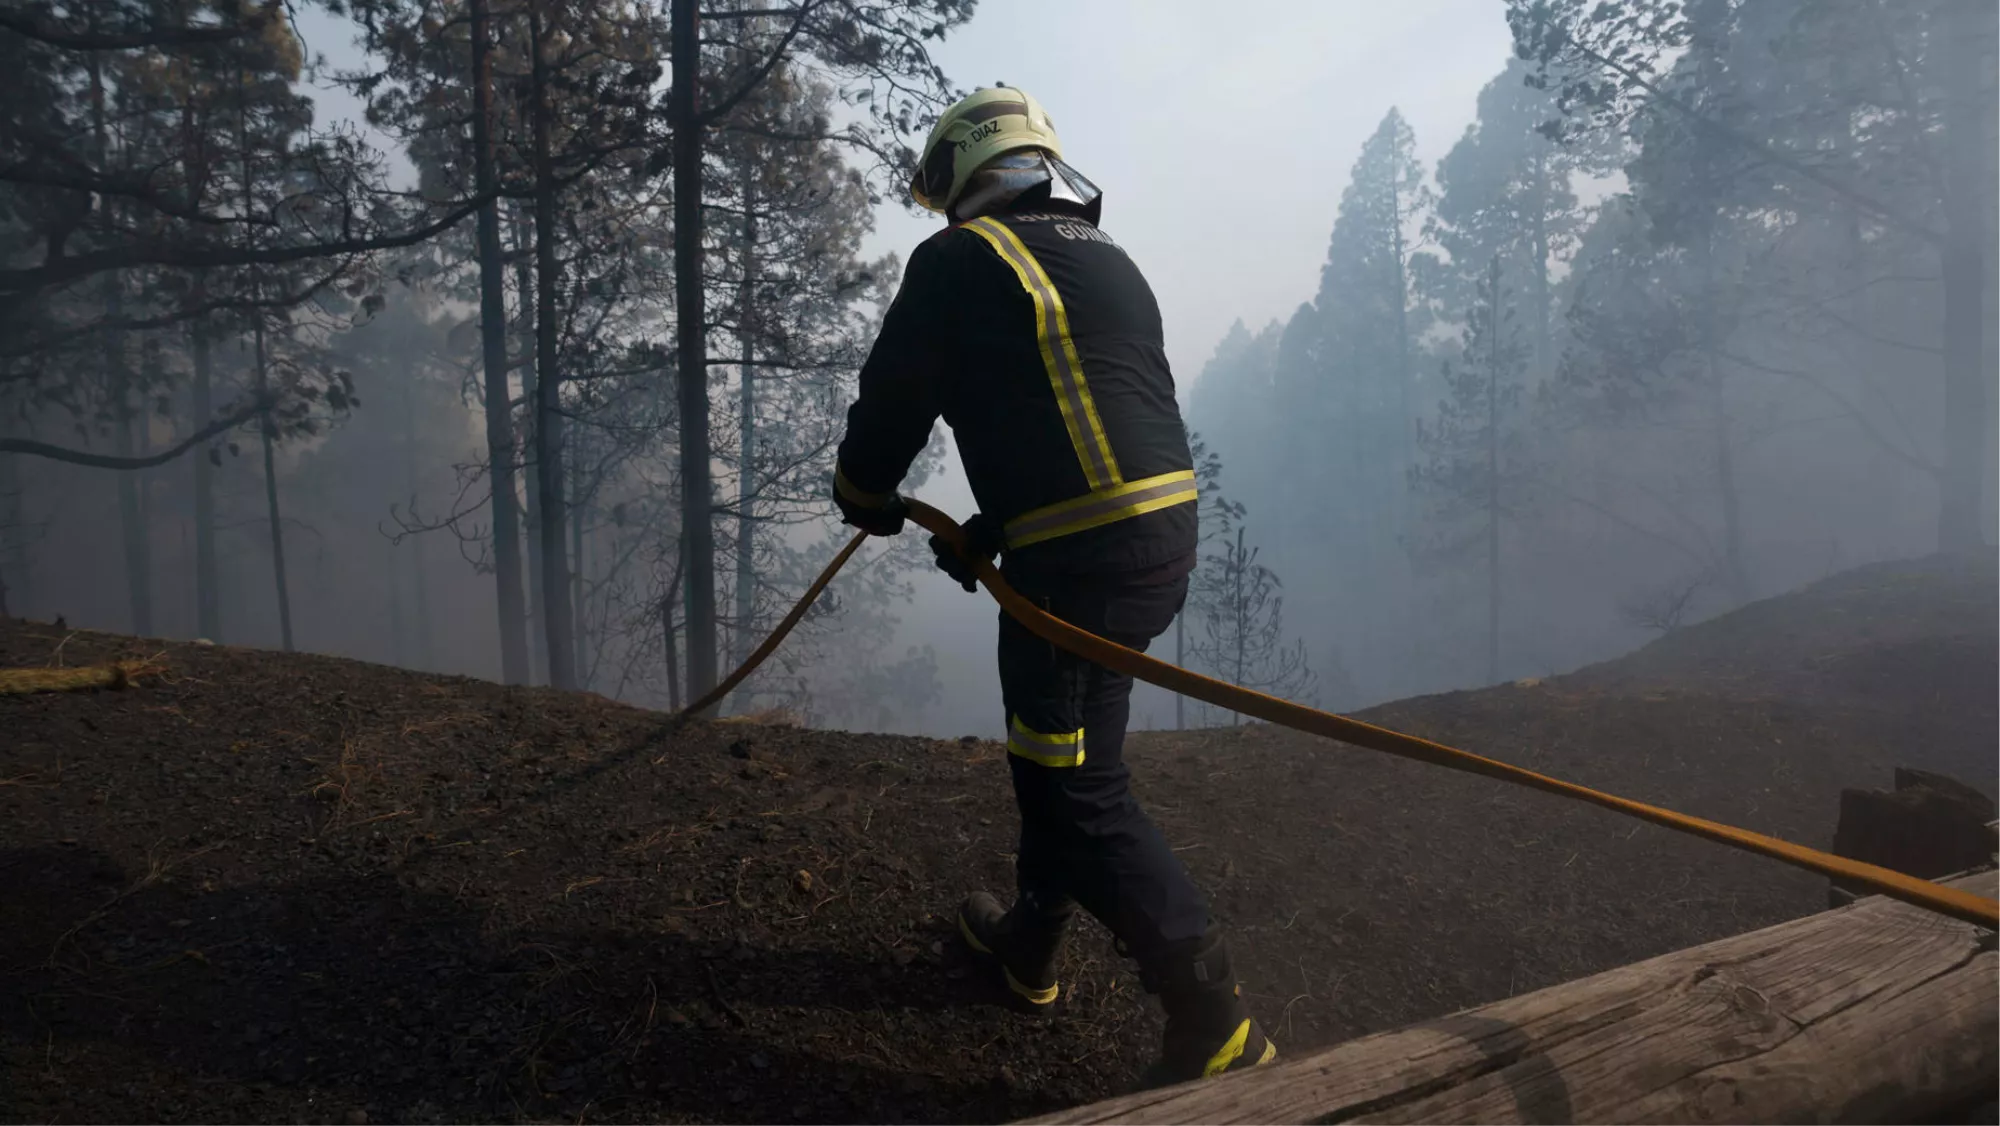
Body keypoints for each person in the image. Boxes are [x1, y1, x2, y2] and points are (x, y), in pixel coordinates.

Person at [828, 85, 1277, 1085]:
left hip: (1080, 567)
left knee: (1071, 787)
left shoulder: (956, 259)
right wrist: (998, 527)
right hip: (1145, 545)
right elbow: (1080, 411)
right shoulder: (1104, 257)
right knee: (1061, 753)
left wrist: (861, 490)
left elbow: (893, 396)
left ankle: (1215, 1017)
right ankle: (1030, 940)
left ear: (956, 174)